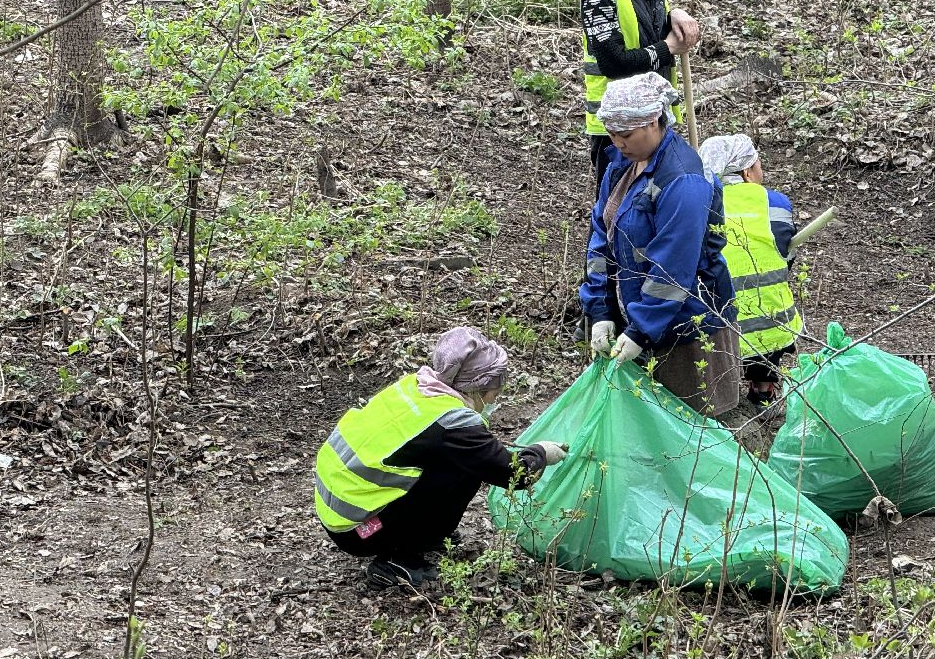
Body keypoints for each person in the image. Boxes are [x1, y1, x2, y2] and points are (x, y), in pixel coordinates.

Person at [313, 327, 567, 589]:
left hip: (338, 508)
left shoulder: (416, 386)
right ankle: (398, 559)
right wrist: (541, 453)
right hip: (360, 531)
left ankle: (417, 535)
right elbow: (513, 474)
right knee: (466, 471)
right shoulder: (453, 422)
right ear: (478, 385)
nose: (496, 397)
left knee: (455, 463)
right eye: (494, 389)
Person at [580, 73, 742, 417]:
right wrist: (600, 310)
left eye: (626, 135)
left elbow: (673, 266)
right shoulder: (620, 165)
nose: (617, 142)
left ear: (654, 121)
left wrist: (641, 330)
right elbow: (601, 235)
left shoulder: (682, 179)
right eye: (610, 133)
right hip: (634, 313)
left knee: (690, 426)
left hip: (688, 328)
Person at [580, 0, 703, 194]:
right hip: (618, 128)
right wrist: (668, 48)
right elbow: (613, 62)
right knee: (617, 216)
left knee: (654, 209)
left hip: (654, 118)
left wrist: (674, 13)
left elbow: (648, 29)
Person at [700, 134, 803, 416]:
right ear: (747, 171)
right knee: (768, 332)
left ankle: (722, 398)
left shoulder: (700, 202)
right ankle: (763, 392)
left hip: (718, 323)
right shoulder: (775, 203)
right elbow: (785, 254)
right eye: (759, 164)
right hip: (773, 322)